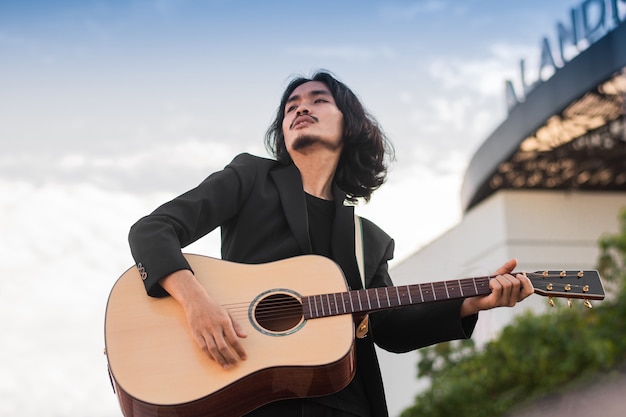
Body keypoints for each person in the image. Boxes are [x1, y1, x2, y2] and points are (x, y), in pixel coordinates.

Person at [128, 70, 534, 417]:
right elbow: (152, 230)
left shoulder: (368, 240)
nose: (301, 108)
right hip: (254, 400)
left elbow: (389, 327)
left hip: (346, 404)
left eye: (318, 101)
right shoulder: (249, 179)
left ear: (349, 125)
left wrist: (474, 301)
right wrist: (196, 302)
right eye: (291, 106)